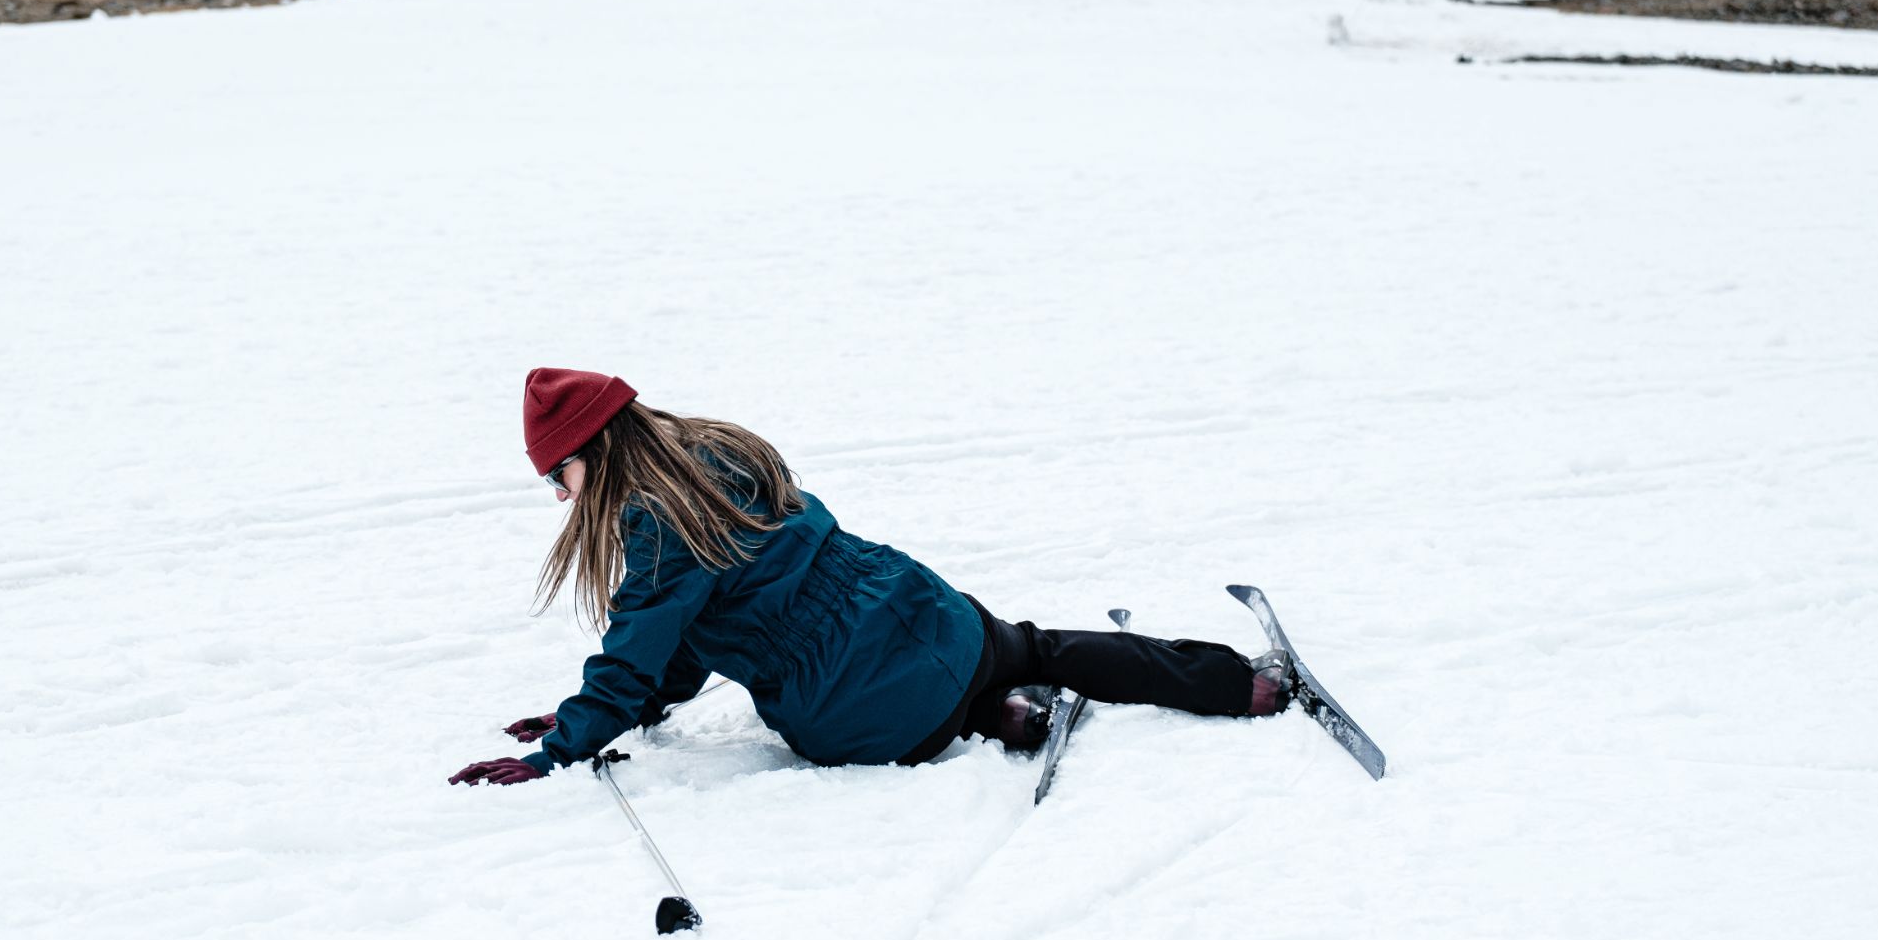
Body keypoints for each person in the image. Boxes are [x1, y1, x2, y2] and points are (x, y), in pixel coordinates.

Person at [447, 368, 1292, 788]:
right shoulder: (725, 453)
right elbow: (680, 652)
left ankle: (994, 718)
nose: (559, 494)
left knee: (906, 705)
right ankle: (1237, 685)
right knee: (1039, 646)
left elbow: (643, 651)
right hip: (926, 615)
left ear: (593, 450)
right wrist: (608, 713)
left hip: (853, 714)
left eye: (557, 476)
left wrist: (563, 749)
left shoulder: (656, 528)